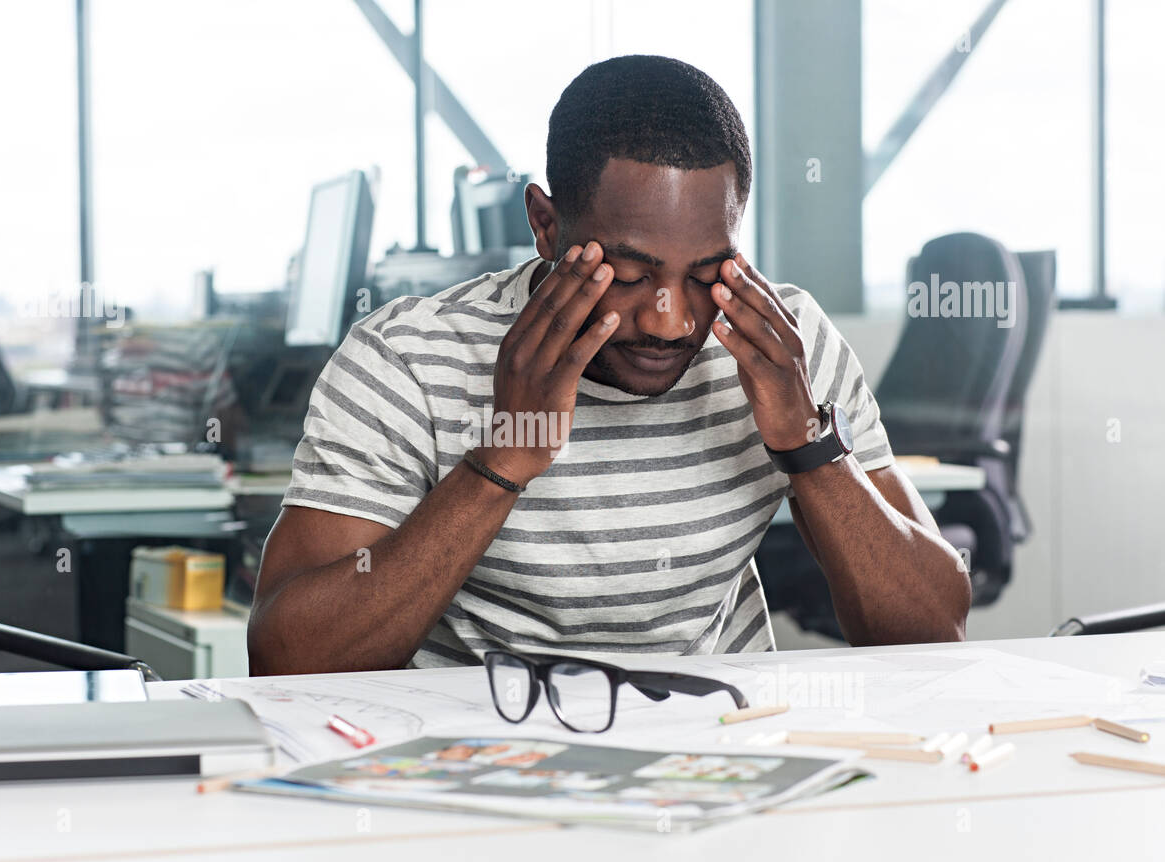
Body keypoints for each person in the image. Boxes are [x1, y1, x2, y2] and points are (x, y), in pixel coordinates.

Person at [249, 54, 970, 675]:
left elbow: (934, 630)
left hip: (720, 753)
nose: (670, 319)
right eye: (627, 272)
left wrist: (808, 446)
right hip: (476, 768)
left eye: (708, 272)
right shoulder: (405, 358)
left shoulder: (784, 343)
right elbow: (286, 662)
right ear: (544, 224)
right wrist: (500, 463)